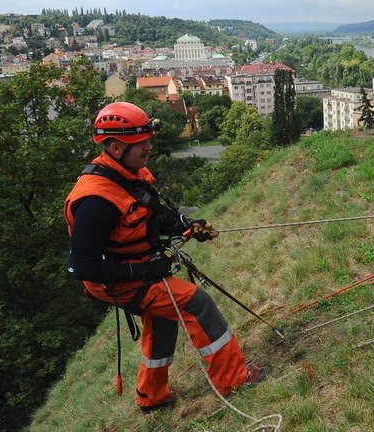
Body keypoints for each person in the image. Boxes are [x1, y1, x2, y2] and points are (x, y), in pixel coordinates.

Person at [64, 101, 268, 413]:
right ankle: (234, 380)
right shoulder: (95, 200)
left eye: (147, 138)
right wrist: (143, 272)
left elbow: (152, 216)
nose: (148, 147)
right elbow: (86, 267)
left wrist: (187, 227)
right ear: (116, 147)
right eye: (139, 143)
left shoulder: (130, 174)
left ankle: (152, 396)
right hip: (115, 280)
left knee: (162, 319)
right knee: (196, 304)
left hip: (136, 269)